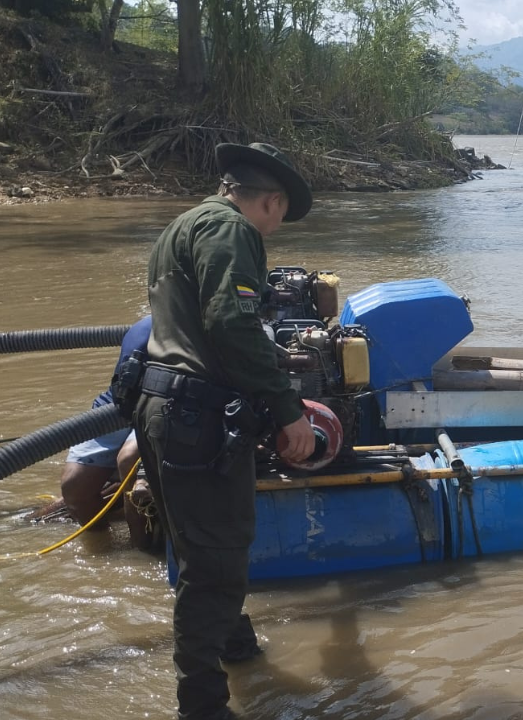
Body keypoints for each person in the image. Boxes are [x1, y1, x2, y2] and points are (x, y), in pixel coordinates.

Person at [132, 142, 316, 720]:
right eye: (280, 215)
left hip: (160, 406)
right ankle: (203, 707)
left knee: (200, 550)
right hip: (198, 417)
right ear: (273, 201)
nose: (275, 225)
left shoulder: (181, 226)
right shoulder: (235, 231)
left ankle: (237, 650)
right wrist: (289, 409)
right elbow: (231, 325)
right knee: (215, 562)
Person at [56, 315, 159, 548]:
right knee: (74, 486)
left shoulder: (208, 327)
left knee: (128, 459)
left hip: (165, 408)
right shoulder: (145, 326)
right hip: (119, 407)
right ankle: (104, 542)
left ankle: (141, 549)